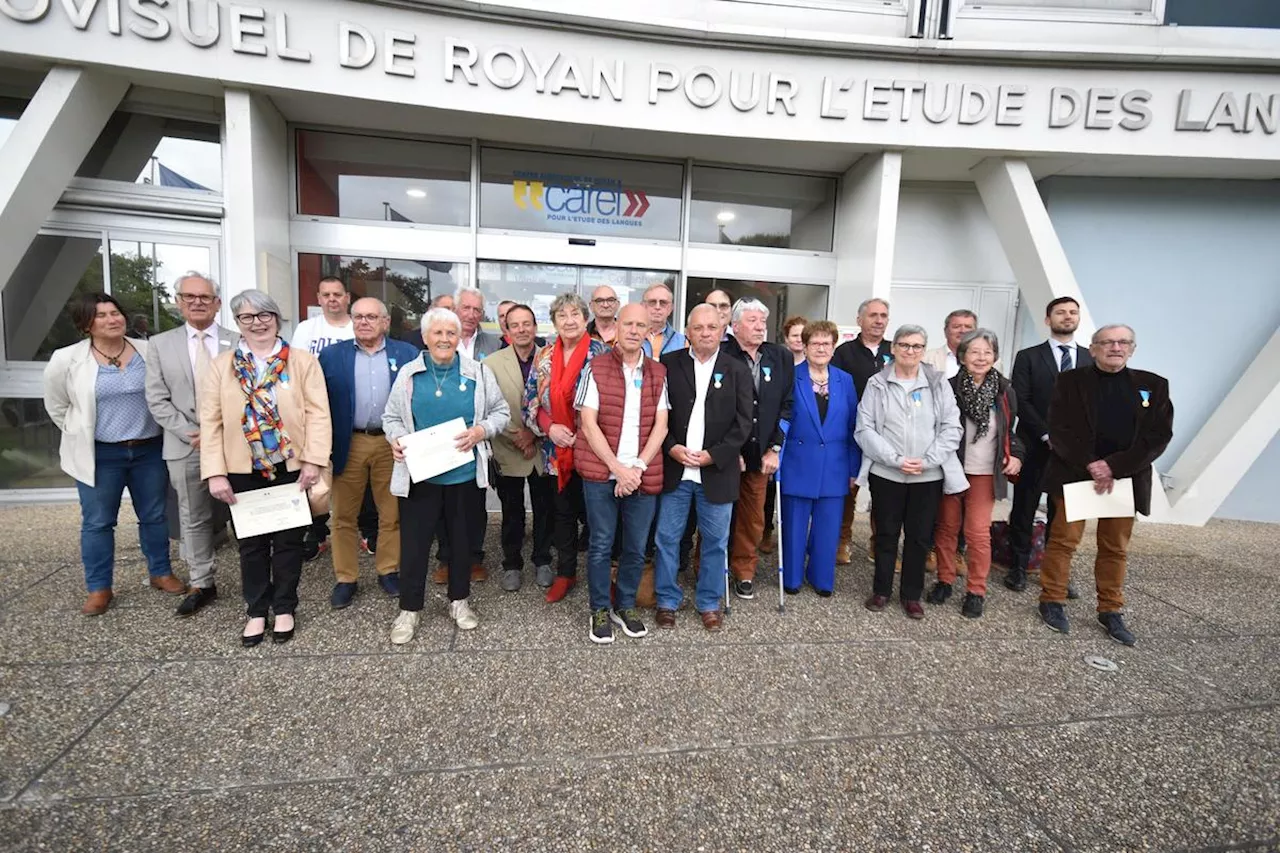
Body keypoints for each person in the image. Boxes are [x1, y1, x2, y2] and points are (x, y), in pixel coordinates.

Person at [201, 290, 331, 646]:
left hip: (290, 465)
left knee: (289, 543)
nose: (257, 323)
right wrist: (214, 472)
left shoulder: (302, 362)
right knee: (251, 545)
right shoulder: (222, 365)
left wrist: (313, 461)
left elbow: (319, 414)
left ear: (276, 318)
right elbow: (210, 421)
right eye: (247, 317)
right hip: (241, 469)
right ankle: (257, 611)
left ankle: (286, 606)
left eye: (264, 315)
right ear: (238, 323)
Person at [44, 292, 178, 616]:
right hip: (101, 454)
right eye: (101, 315)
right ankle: (99, 587)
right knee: (99, 523)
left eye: (115, 312)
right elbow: (57, 406)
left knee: (155, 516)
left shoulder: (148, 350)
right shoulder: (67, 359)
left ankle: (160, 572)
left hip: (148, 449)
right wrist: (81, 431)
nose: (112, 319)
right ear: (86, 323)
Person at [1038, 325, 1173, 646]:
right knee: (1063, 542)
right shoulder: (1069, 382)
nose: (1116, 347)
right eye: (1108, 342)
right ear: (1093, 348)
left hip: (1123, 479)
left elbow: (1157, 436)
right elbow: (1059, 429)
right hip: (1076, 473)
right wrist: (1091, 464)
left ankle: (1110, 609)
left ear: (1132, 349)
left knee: (1115, 548)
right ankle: (1052, 600)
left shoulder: (1153, 386)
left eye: (1123, 342)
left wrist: (1113, 466)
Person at [384, 308, 510, 642]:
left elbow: (501, 412)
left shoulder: (478, 373)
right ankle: (409, 610)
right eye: (437, 333)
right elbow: (391, 416)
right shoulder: (410, 374)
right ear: (425, 338)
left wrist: (481, 430)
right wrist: (395, 438)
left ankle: (459, 601)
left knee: (462, 544)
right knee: (414, 546)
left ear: (458, 338)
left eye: (450, 334)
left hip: (464, 477)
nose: (444, 339)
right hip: (420, 479)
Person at [575, 302, 670, 643]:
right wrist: (617, 468)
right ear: (616, 326)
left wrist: (637, 468)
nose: (633, 330)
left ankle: (625, 604)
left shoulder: (659, 372)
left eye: (640, 325)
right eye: (627, 323)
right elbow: (587, 422)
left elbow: (661, 426)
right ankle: (600, 607)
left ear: (648, 331)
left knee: (635, 546)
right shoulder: (595, 368)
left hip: (641, 472)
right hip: (602, 472)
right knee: (601, 544)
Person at [653, 305, 753, 631]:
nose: (706, 332)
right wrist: (671, 448)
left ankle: (709, 603)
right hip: (676, 471)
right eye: (699, 327)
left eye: (712, 326)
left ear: (722, 330)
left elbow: (743, 424)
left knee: (715, 542)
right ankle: (667, 600)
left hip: (716, 472)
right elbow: (656, 417)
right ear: (688, 331)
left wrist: (716, 454)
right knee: (667, 538)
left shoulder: (737, 369)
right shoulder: (668, 365)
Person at [855, 324, 963, 620]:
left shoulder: (938, 383)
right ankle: (881, 591)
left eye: (916, 346)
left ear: (924, 350)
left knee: (918, 538)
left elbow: (952, 428)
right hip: (887, 473)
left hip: (927, 476)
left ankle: (911, 595)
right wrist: (894, 458)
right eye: (904, 345)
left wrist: (927, 460)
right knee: (886, 534)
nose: (910, 351)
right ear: (894, 348)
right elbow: (865, 429)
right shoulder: (876, 383)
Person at [318, 297, 419, 609]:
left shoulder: (406, 353)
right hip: (349, 442)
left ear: (385, 322)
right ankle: (346, 578)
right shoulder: (332, 356)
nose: (364, 322)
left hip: (392, 444)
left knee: (392, 513)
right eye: (358, 316)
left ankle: (388, 570)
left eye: (371, 316)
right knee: (343, 515)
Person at [144, 272, 233, 617]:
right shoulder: (160, 344)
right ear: (179, 301)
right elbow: (156, 398)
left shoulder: (236, 341)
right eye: (190, 296)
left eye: (205, 297)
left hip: (235, 443)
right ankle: (202, 582)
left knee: (244, 513)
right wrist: (191, 432)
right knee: (193, 517)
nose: (197, 302)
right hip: (187, 445)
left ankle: (256, 579)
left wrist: (223, 433)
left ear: (217, 303)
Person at [928, 329, 1025, 619]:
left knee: (977, 532)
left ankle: (976, 590)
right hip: (951, 468)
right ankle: (944, 580)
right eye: (974, 352)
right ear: (962, 356)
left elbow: (1010, 432)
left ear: (995, 357)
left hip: (984, 472)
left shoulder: (1005, 391)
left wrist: (1016, 455)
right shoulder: (947, 387)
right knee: (946, 528)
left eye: (987, 352)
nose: (981, 358)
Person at [1006, 296, 1094, 593]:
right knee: (1024, 508)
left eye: (1072, 313)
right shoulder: (1028, 356)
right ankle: (1017, 567)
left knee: (1063, 514)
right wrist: (1046, 434)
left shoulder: (1089, 359)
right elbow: (1021, 399)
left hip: (1072, 453)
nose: (1067, 317)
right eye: (1060, 312)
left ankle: (1057, 573)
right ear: (1048, 319)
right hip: (1034, 444)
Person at [526, 292, 609, 603]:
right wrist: (550, 428)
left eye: (575, 314)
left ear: (585, 318)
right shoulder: (543, 356)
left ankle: (604, 578)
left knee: (597, 519)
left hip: (594, 451)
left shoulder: (602, 353)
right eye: (563, 316)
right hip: (555, 452)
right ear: (555, 322)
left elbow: (613, 402)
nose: (570, 320)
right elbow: (530, 400)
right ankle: (566, 573)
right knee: (562, 517)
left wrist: (584, 432)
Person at [779, 320, 861, 596]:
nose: (821, 348)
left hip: (836, 465)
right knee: (793, 526)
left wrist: (854, 467)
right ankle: (791, 578)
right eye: (815, 343)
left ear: (834, 346)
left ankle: (822, 579)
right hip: (797, 462)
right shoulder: (790, 376)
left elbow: (853, 425)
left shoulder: (844, 380)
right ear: (804, 345)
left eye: (827, 343)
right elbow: (782, 420)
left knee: (828, 529)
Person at [722, 298, 793, 599]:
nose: (760, 326)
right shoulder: (722, 354)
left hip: (762, 453)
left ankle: (744, 571)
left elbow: (788, 407)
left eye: (763, 321)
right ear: (735, 325)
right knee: (718, 516)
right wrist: (728, 450)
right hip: (726, 454)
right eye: (752, 320)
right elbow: (715, 408)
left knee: (752, 518)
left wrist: (776, 448)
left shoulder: (780, 356)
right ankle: (710, 568)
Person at [486, 303, 555, 592]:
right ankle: (512, 564)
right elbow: (488, 407)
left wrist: (535, 436)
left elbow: (559, 405)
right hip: (508, 446)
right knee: (512, 512)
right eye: (515, 325)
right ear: (507, 329)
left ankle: (542, 560)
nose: (522, 329)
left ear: (535, 326)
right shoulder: (491, 363)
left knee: (545, 510)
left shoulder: (551, 358)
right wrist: (519, 436)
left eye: (527, 323)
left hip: (543, 448)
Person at [832, 297, 892, 565]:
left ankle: (879, 545)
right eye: (873, 315)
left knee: (884, 493)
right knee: (848, 490)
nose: (879, 320)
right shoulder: (844, 352)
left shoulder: (896, 350)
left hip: (889, 436)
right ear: (860, 320)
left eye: (883, 315)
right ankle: (842, 541)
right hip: (853, 433)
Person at [292, 275, 354, 356]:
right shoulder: (305, 328)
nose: (332, 299)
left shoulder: (360, 328)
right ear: (319, 298)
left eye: (337, 295)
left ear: (348, 298)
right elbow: (296, 364)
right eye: (326, 295)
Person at [923, 310, 977, 379]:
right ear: (946, 331)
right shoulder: (927, 358)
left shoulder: (988, 361)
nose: (963, 331)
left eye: (968, 327)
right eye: (956, 326)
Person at [455, 287, 502, 361]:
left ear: (482, 314)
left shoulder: (495, 345)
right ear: (455, 309)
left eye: (476, 310)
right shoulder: (443, 340)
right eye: (466, 308)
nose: (471, 315)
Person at [641, 283, 686, 358]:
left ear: (670, 308)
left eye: (663, 303)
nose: (657, 307)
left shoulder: (682, 342)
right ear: (643, 306)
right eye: (652, 302)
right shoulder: (631, 336)